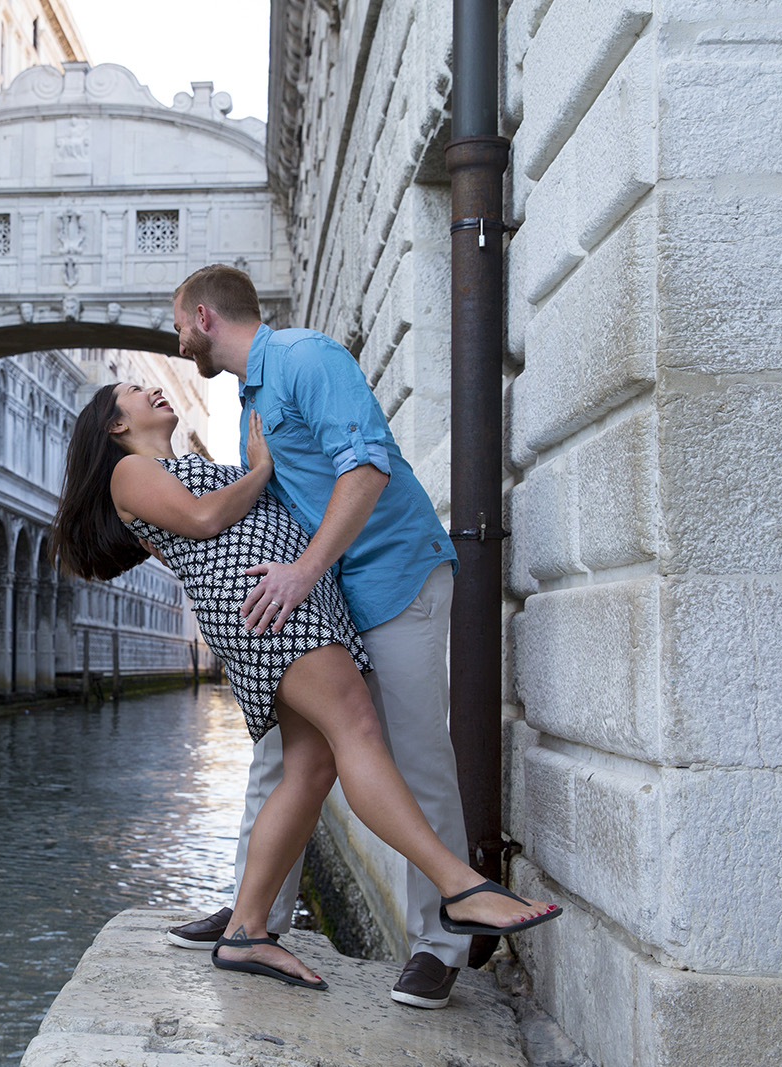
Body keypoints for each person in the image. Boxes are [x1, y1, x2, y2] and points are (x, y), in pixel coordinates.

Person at [51, 381, 560, 991]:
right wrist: (261, 466)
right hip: (269, 611)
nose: (156, 389)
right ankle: (459, 889)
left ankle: (246, 933)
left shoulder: (179, 464)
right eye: (137, 390)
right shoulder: (130, 471)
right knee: (360, 733)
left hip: (284, 605)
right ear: (113, 425)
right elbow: (205, 518)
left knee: (311, 770)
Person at [164, 263, 475, 1009]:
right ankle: (254, 914)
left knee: (415, 756)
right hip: (329, 601)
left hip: (394, 580)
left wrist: (302, 573)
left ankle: (441, 945)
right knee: (277, 756)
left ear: (205, 316)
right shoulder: (249, 408)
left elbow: (365, 468)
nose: (177, 342)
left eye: (177, 324)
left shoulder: (307, 357)